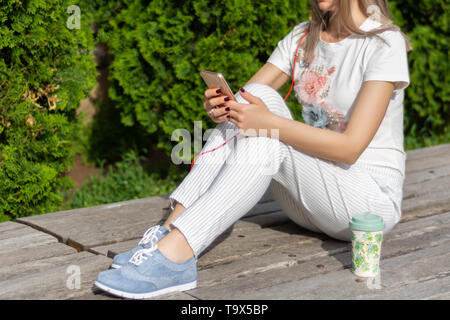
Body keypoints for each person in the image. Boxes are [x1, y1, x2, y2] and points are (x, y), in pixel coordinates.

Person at [94, 0, 411, 299]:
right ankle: (167, 234)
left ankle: (179, 252)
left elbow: (350, 148)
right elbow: (248, 102)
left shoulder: (384, 43)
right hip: (313, 200)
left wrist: (266, 122)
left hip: (366, 209)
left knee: (265, 128)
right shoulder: (305, 35)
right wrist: (223, 108)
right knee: (253, 97)